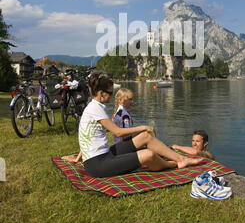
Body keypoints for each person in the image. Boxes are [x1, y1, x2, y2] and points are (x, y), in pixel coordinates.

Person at [63, 71, 203, 177]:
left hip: (105, 155)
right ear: (101, 93)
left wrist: (77, 158)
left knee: (145, 137)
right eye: (110, 93)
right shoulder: (95, 109)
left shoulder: (95, 107)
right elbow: (117, 132)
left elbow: (86, 136)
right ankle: (173, 164)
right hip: (98, 164)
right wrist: (144, 127)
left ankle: (182, 158)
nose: (112, 97)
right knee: (148, 154)